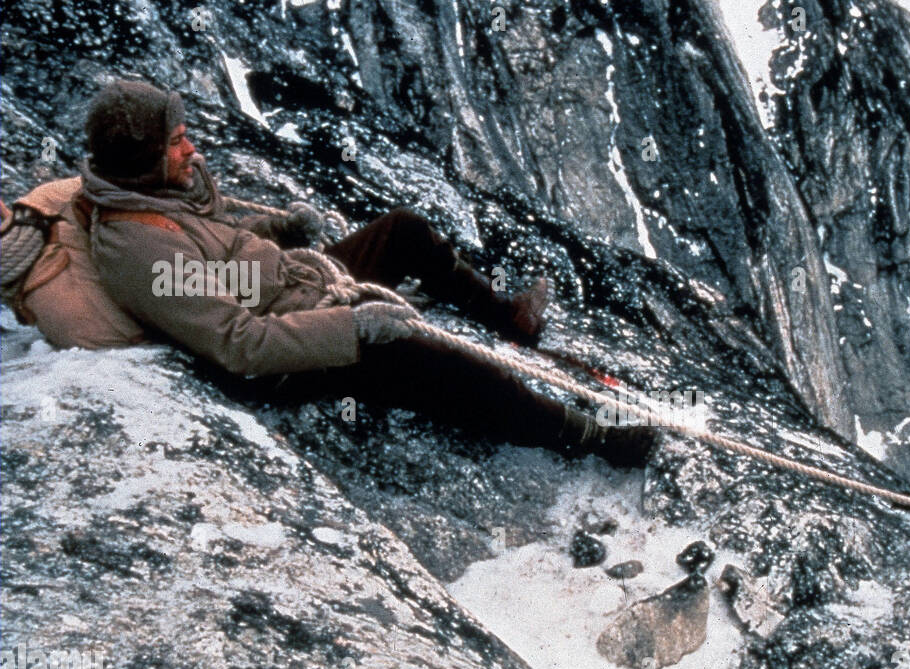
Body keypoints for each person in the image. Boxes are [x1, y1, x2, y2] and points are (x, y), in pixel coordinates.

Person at [74, 79, 656, 467]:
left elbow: (222, 248)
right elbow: (240, 344)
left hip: (290, 292)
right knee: (429, 356)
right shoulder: (143, 253)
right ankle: (586, 436)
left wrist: (283, 233)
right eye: (177, 143)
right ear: (144, 159)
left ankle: (510, 318)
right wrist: (353, 327)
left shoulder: (156, 196)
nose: (192, 149)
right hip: (284, 357)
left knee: (401, 231)